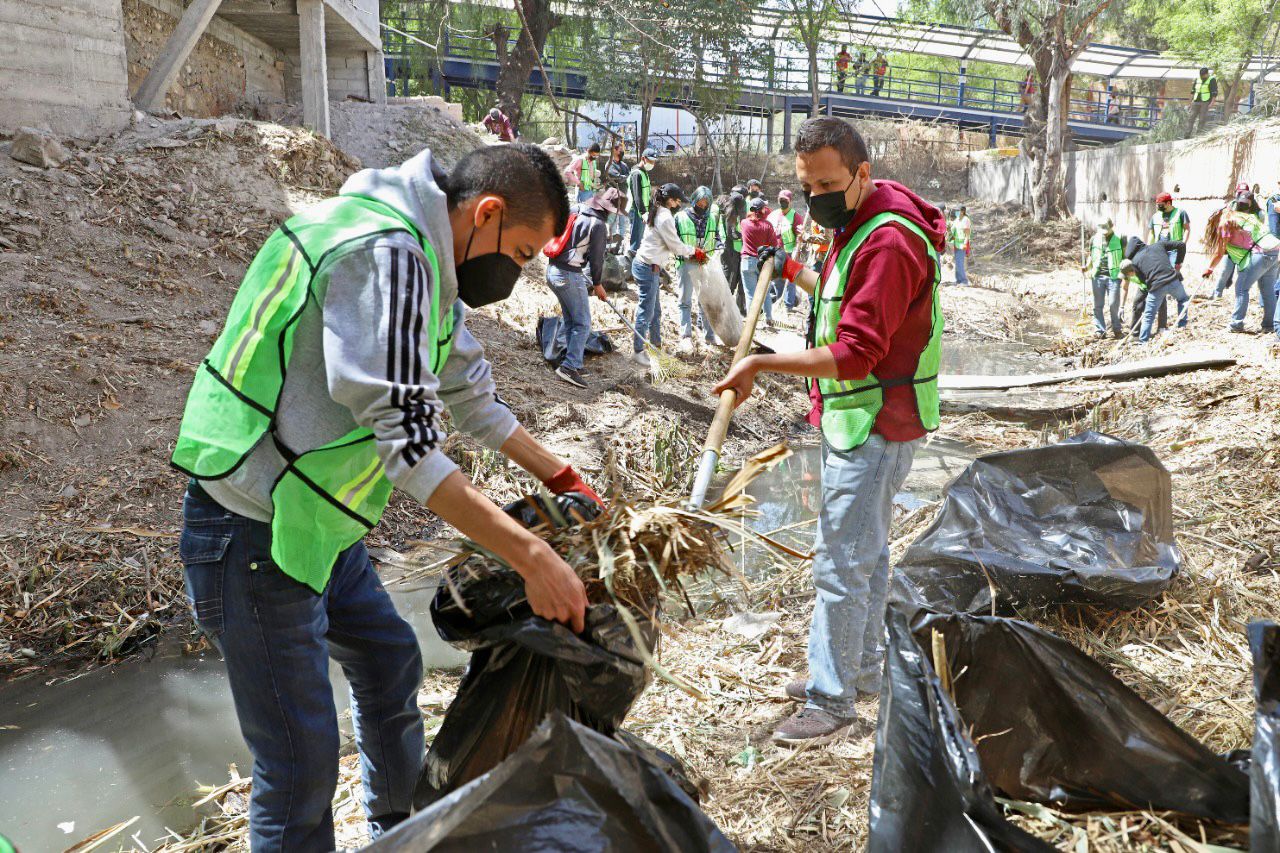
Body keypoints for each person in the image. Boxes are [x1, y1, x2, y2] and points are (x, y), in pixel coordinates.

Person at [170, 143, 601, 849]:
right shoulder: (385, 254)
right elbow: (408, 448)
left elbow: (466, 390)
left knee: (389, 659)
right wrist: (532, 556)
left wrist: (556, 473)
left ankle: (400, 834)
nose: (518, 275)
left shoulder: (429, 259)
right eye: (522, 253)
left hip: (315, 520)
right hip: (250, 525)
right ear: (486, 213)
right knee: (299, 759)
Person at [712, 117, 945, 743]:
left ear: (862, 175)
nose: (816, 196)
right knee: (864, 553)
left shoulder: (890, 242)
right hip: (863, 417)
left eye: (827, 183)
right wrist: (792, 272)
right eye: (806, 184)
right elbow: (845, 300)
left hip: (875, 419)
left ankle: (831, 698)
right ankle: (862, 666)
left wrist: (759, 360)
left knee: (840, 561)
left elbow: (857, 351)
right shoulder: (862, 223)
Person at [546, 187, 620, 388]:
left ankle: (573, 360)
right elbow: (596, 261)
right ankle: (569, 367)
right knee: (583, 323)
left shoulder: (575, 209)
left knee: (571, 319)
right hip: (569, 274)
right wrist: (597, 284)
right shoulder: (598, 225)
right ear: (609, 211)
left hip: (553, 270)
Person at [632, 183, 697, 366]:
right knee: (647, 311)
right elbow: (675, 246)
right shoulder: (665, 217)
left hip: (646, 265)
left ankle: (656, 344)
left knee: (655, 310)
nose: (679, 205)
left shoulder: (658, 210)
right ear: (670, 200)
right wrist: (693, 250)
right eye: (677, 201)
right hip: (647, 267)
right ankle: (638, 351)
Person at [1203, 189, 1280, 335]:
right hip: (1275, 251)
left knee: (1241, 288)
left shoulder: (1225, 223)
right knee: (1268, 290)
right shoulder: (1248, 217)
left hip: (1260, 254)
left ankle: (1236, 324)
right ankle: (1269, 325)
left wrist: (1209, 268)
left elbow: (1220, 252)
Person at [674, 186, 722, 350]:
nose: (702, 207)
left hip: (705, 263)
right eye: (700, 203)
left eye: (705, 205)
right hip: (686, 262)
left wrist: (718, 247)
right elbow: (673, 241)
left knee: (706, 301)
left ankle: (709, 335)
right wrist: (690, 252)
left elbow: (716, 237)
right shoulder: (680, 217)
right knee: (685, 300)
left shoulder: (711, 219)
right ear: (693, 200)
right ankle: (685, 335)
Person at [1120, 236, 1189, 342]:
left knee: (1148, 315)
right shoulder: (1158, 245)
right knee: (1183, 300)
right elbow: (1181, 245)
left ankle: (1143, 341)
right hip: (1172, 280)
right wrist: (1178, 264)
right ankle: (1182, 326)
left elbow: (1143, 280)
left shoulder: (1134, 262)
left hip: (1155, 286)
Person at [740, 196, 782, 326]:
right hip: (763, 263)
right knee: (765, 292)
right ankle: (769, 318)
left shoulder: (744, 223)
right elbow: (774, 245)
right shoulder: (768, 226)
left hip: (747, 261)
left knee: (750, 294)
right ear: (762, 210)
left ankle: (753, 322)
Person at [1082, 219, 1124, 338]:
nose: (1104, 233)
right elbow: (1091, 255)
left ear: (1112, 226)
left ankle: (1117, 329)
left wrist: (1124, 274)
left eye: (1107, 230)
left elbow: (1125, 257)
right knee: (1098, 305)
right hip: (1097, 276)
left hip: (1114, 277)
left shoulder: (1120, 238)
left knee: (1113, 304)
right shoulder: (1094, 239)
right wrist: (1087, 267)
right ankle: (1100, 331)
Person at [769, 190, 806, 313]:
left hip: (789, 253)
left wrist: (799, 243)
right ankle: (779, 301)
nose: (782, 202)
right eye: (781, 200)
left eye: (785, 200)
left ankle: (788, 305)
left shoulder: (795, 216)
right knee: (776, 279)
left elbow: (799, 235)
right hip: (774, 252)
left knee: (790, 280)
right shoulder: (773, 215)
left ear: (790, 201)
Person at [720, 186, 748, 312]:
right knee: (730, 277)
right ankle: (724, 307)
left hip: (739, 250)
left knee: (741, 280)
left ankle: (739, 308)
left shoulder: (741, 207)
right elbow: (731, 233)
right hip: (730, 249)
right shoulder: (730, 209)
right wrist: (745, 236)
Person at [626, 148, 657, 259]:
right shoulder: (636, 174)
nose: (652, 164)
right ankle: (630, 264)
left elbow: (646, 194)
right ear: (643, 159)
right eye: (650, 161)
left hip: (642, 211)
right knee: (636, 239)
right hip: (636, 211)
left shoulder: (644, 173)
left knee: (640, 238)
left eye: (654, 162)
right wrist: (643, 212)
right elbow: (637, 195)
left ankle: (635, 262)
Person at [604, 140, 631, 250]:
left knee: (623, 222)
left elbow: (627, 176)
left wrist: (623, 177)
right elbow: (618, 178)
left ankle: (622, 244)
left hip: (623, 198)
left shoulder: (623, 165)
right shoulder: (609, 164)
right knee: (613, 222)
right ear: (614, 151)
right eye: (620, 150)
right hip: (613, 200)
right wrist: (623, 177)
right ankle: (612, 245)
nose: (622, 152)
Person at [1189, 67, 1217, 135]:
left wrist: (1212, 102)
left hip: (1205, 101)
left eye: (1203, 75)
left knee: (1202, 119)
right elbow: (1193, 91)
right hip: (1196, 101)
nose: (1202, 76)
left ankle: (1198, 134)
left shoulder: (1212, 80)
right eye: (1201, 75)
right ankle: (1187, 134)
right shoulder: (1197, 79)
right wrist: (1190, 102)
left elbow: (1214, 92)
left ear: (1207, 74)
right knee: (1191, 118)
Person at [949, 206, 971, 285]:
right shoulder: (957, 220)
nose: (957, 213)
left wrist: (966, 246)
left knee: (959, 263)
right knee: (957, 263)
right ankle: (958, 280)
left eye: (958, 211)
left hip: (962, 245)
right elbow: (953, 231)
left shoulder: (965, 220)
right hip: (956, 244)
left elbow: (967, 235)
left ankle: (964, 281)